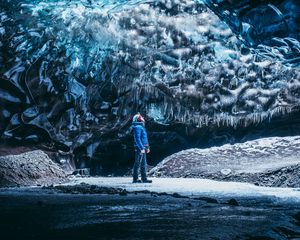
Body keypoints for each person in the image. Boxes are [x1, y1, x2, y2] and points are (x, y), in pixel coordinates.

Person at [131, 113, 152, 183]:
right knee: (137, 163)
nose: (143, 119)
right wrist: (141, 148)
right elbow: (137, 139)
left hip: (143, 147)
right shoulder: (137, 127)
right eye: (141, 118)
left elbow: (145, 139)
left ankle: (144, 179)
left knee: (143, 164)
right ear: (138, 119)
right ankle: (135, 178)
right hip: (139, 148)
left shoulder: (141, 127)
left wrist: (147, 147)